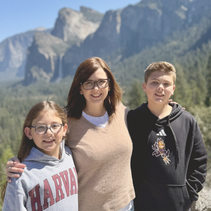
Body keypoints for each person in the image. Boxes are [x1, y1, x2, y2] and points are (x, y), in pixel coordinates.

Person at [5, 57, 135, 211]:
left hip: (127, 205)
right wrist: (18, 165)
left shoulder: (121, 111)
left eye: (101, 81)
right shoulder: (66, 122)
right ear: (80, 88)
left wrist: (168, 108)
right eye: (88, 83)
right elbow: (44, 146)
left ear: (109, 84)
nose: (96, 88)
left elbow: (148, 122)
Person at [127, 61, 208, 211]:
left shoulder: (187, 121)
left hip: (178, 204)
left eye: (166, 84)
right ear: (144, 87)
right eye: (154, 82)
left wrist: (188, 193)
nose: (160, 88)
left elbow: (200, 160)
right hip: (141, 204)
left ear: (173, 89)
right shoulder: (132, 120)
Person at [1, 100, 78, 211]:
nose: (49, 132)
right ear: (29, 133)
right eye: (40, 128)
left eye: (55, 126)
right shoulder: (20, 175)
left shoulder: (69, 154)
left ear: (64, 129)